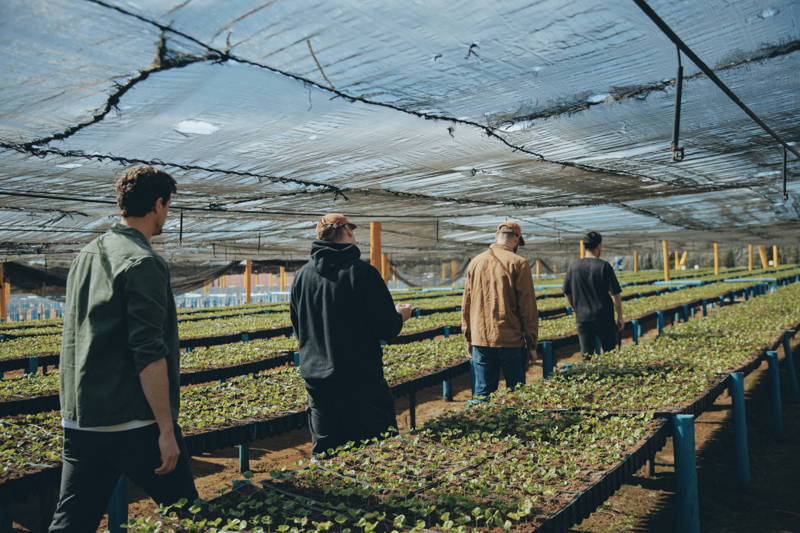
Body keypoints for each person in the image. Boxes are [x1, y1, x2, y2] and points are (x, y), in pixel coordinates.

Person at [50, 166, 197, 532]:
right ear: (159, 204)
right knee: (187, 513)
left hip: (82, 416)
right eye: (168, 206)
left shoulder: (86, 255)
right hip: (133, 420)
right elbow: (148, 350)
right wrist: (166, 429)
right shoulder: (143, 262)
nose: (166, 215)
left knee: (72, 521)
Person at [290, 214, 413, 457]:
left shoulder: (302, 277)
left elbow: (298, 326)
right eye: (352, 229)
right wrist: (401, 316)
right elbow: (386, 328)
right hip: (360, 378)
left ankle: (329, 491)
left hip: (317, 377)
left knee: (326, 449)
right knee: (375, 447)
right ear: (346, 231)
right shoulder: (362, 272)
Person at [461, 222, 538, 400]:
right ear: (516, 240)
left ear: (497, 236)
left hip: (481, 339)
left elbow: (466, 303)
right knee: (516, 393)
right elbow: (528, 307)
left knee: (482, 394)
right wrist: (532, 343)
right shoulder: (519, 263)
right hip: (510, 340)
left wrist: (469, 337)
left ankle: (482, 425)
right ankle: (515, 427)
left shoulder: (476, 262)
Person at [563, 231, 624, 358]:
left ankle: (589, 376)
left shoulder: (573, 266)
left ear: (584, 246)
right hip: (604, 316)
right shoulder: (604, 266)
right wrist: (620, 316)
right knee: (609, 353)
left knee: (586, 355)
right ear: (599, 246)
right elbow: (615, 294)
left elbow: (567, 292)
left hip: (583, 318)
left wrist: (575, 308)